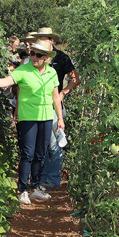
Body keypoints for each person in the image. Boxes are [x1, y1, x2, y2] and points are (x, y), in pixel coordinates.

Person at [0, 39, 65, 205]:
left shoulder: (51, 73)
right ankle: (23, 190)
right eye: (32, 53)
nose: (34, 57)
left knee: (40, 154)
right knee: (28, 154)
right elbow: (7, 81)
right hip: (28, 118)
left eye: (39, 55)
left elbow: (55, 97)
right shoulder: (23, 70)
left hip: (46, 117)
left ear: (47, 57)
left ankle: (35, 188)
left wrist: (60, 118)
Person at [33, 27, 81, 191]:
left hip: (54, 107)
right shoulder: (36, 56)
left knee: (54, 144)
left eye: (45, 38)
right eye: (39, 38)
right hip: (37, 106)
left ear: (52, 40)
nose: (42, 40)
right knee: (43, 143)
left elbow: (75, 79)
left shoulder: (61, 58)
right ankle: (44, 177)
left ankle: (52, 179)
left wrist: (63, 92)